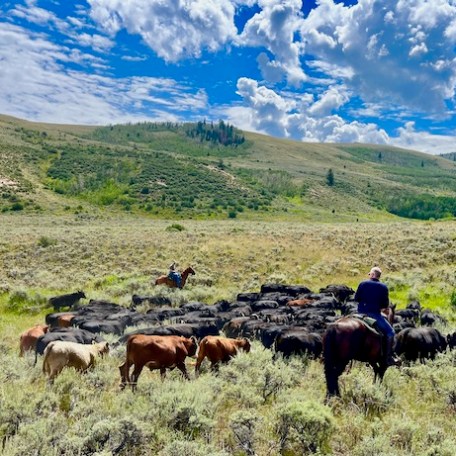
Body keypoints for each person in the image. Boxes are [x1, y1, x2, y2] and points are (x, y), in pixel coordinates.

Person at [355, 266, 400, 366]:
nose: (369, 275)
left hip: (359, 313)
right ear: (378, 276)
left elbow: (356, 298)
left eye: (370, 273)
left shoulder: (363, 283)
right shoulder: (383, 287)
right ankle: (388, 357)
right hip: (374, 315)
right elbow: (385, 305)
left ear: (373, 274)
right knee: (390, 332)